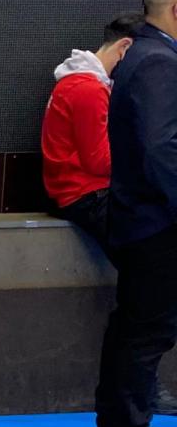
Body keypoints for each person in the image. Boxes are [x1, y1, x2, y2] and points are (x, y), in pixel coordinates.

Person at [95, 0, 177, 427]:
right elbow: (160, 148)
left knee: (134, 328)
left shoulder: (146, 54)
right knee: (146, 333)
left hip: (144, 217)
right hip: (156, 221)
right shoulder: (157, 63)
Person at [41, 13, 143, 250]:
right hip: (87, 195)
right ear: (125, 47)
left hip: (74, 192)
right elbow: (99, 162)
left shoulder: (74, 82)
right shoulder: (89, 90)